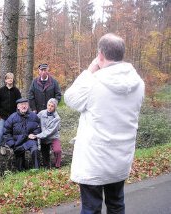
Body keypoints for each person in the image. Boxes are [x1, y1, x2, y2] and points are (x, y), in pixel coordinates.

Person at [64, 33, 145, 214]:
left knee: (91, 209)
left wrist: (91, 69)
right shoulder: (138, 83)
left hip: (94, 161)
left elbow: (70, 98)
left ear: (100, 55)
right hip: (120, 158)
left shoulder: (94, 82)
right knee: (116, 205)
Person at [3, 98, 41, 171]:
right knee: (20, 165)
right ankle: (21, 172)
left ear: (28, 106)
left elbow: (38, 128)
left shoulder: (34, 116)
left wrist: (33, 134)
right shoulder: (12, 117)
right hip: (18, 142)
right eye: (22, 105)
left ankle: (37, 169)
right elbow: (6, 132)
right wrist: (12, 144)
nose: (24, 106)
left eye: (25, 104)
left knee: (35, 150)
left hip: (30, 141)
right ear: (18, 107)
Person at [29, 98, 62, 168]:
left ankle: (57, 165)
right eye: (48, 105)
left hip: (53, 137)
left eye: (52, 106)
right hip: (44, 139)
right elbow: (35, 119)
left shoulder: (57, 118)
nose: (49, 107)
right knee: (45, 155)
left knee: (57, 150)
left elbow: (49, 131)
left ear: (55, 107)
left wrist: (37, 136)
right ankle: (47, 167)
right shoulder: (42, 113)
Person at [0, 72, 21, 155]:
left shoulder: (16, 91)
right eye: (8, 78)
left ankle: (11, 147)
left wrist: (19, 113)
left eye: (11, 78)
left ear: (13, 80)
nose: (10, 80)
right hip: (2, 115)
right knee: (0, 131)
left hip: (13, 116)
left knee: (12, 132)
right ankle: (2, 146)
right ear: (5, 80)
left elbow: (19, 103)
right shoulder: (1, 90)